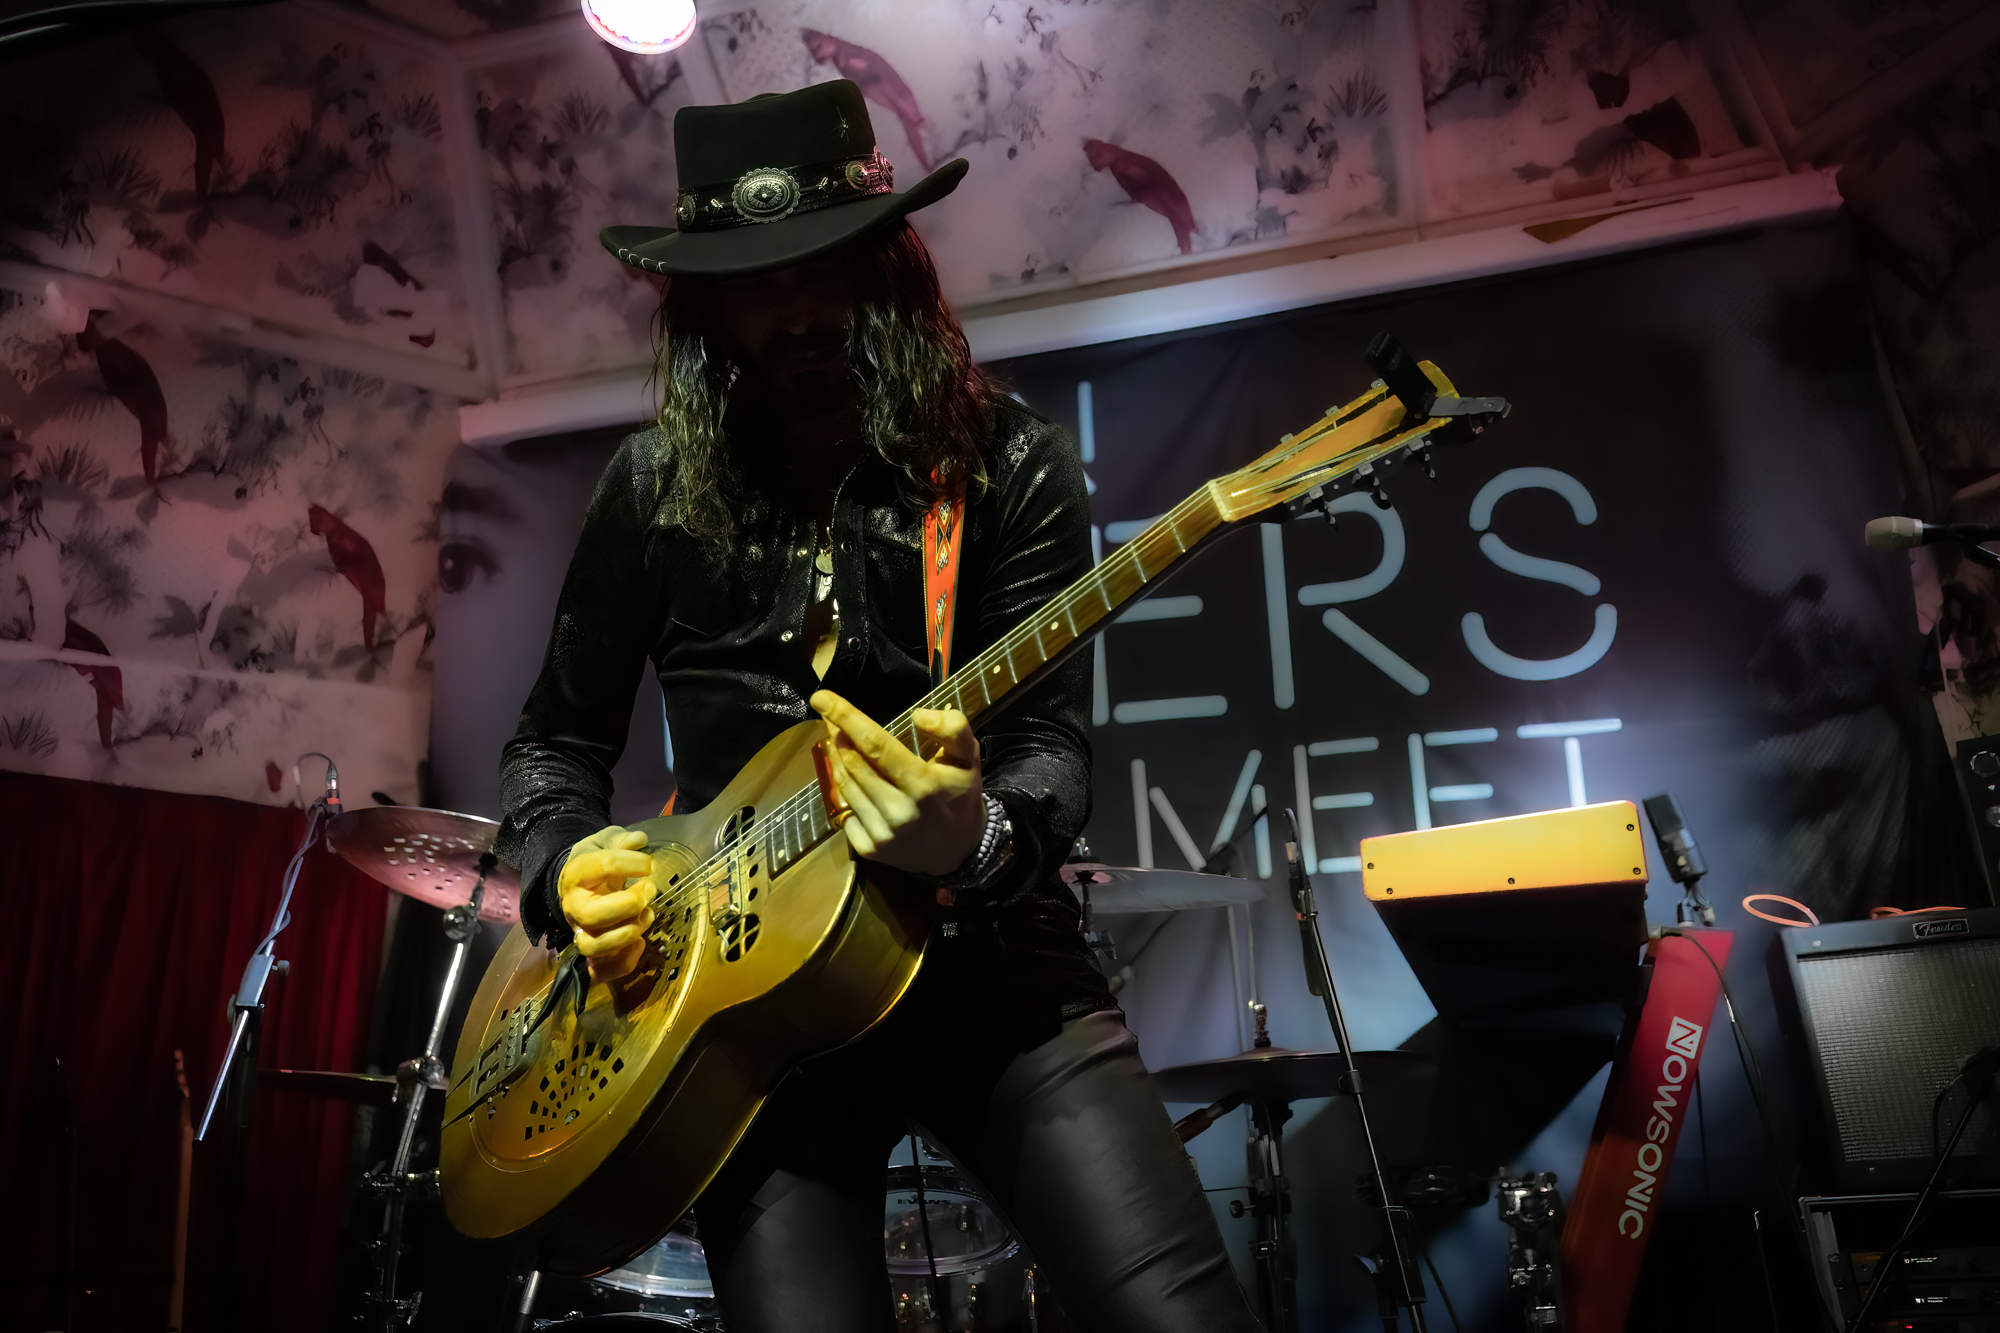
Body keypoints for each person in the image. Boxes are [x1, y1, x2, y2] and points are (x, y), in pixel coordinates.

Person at [495, 80, 1262, 1333]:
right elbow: (552, 746)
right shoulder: (649, 488)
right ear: (702, 308)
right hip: (745, 1014)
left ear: (888, 268)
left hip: (989, 973)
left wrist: (975, 837)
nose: (795, 314)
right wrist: (563, 864)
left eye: (823, 270)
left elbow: (1047, 744)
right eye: (754, 286)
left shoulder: (1007, 462)